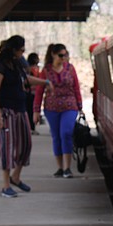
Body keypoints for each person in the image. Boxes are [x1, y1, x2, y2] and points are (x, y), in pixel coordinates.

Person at [0, 35, 53, 197]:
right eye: (21, 49)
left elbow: (26, 80)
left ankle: (15, 177)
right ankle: (5, 186)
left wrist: (44, 82)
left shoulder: (17, 64)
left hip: (20, 110)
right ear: (13, 49)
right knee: (7, 148)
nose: (23, 52)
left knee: (26, 144)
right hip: (5, 111)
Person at [33, 43, 83, 178]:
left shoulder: (70, 69)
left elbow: (76, 87)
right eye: (61, 55)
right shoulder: (46, 71)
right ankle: (60, 167)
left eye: (66, 55)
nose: (64, 57)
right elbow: (39, 91)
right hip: (51, 108)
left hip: (70, 106)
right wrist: (36, 111)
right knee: (56, 136)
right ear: (53, 55)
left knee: (66, 133)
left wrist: (80, 106)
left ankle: (67, 168)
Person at [26, 52, 40, 133]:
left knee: (31, 110)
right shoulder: (31, 69)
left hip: (33, 92)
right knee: (30, 110)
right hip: (31, 92)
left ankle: (31, 127)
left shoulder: (31, 68)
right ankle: (31, 128)